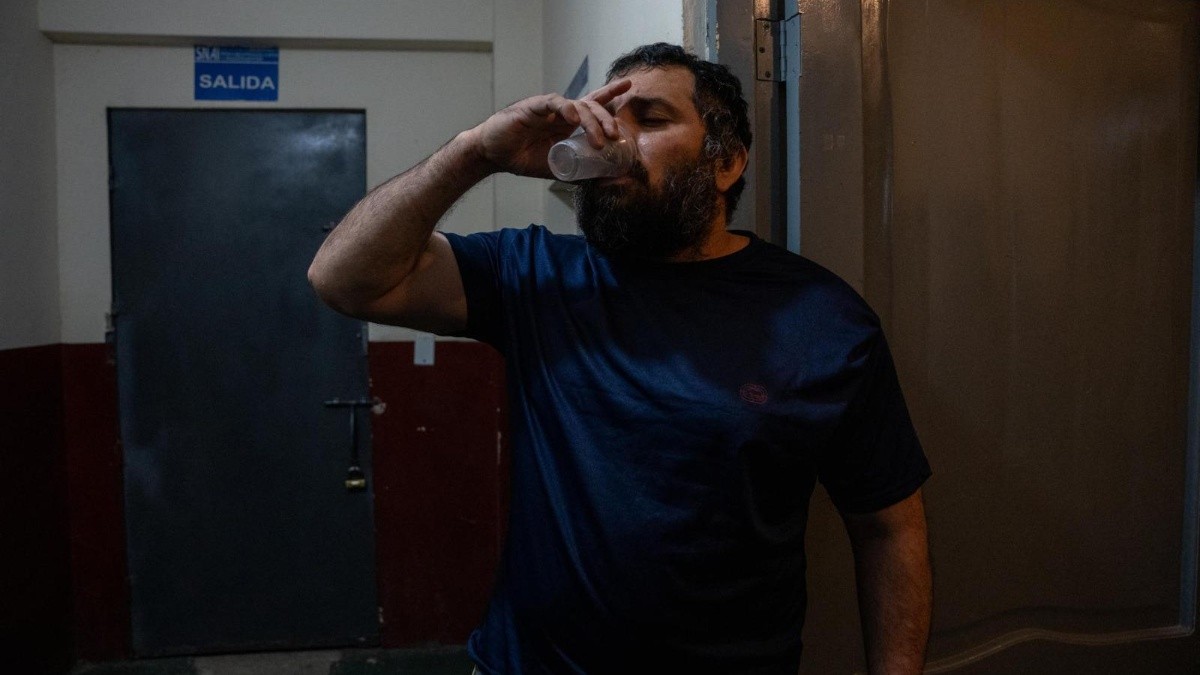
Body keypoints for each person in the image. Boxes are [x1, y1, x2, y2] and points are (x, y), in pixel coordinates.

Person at [309, 42, 932, 675]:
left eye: (651, 120)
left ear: (725, 162)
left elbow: (887, 529)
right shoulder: (537, 276)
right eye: (603, 117)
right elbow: (343, 278)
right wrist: (476, 152)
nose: (612, 140)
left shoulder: (824, 320)